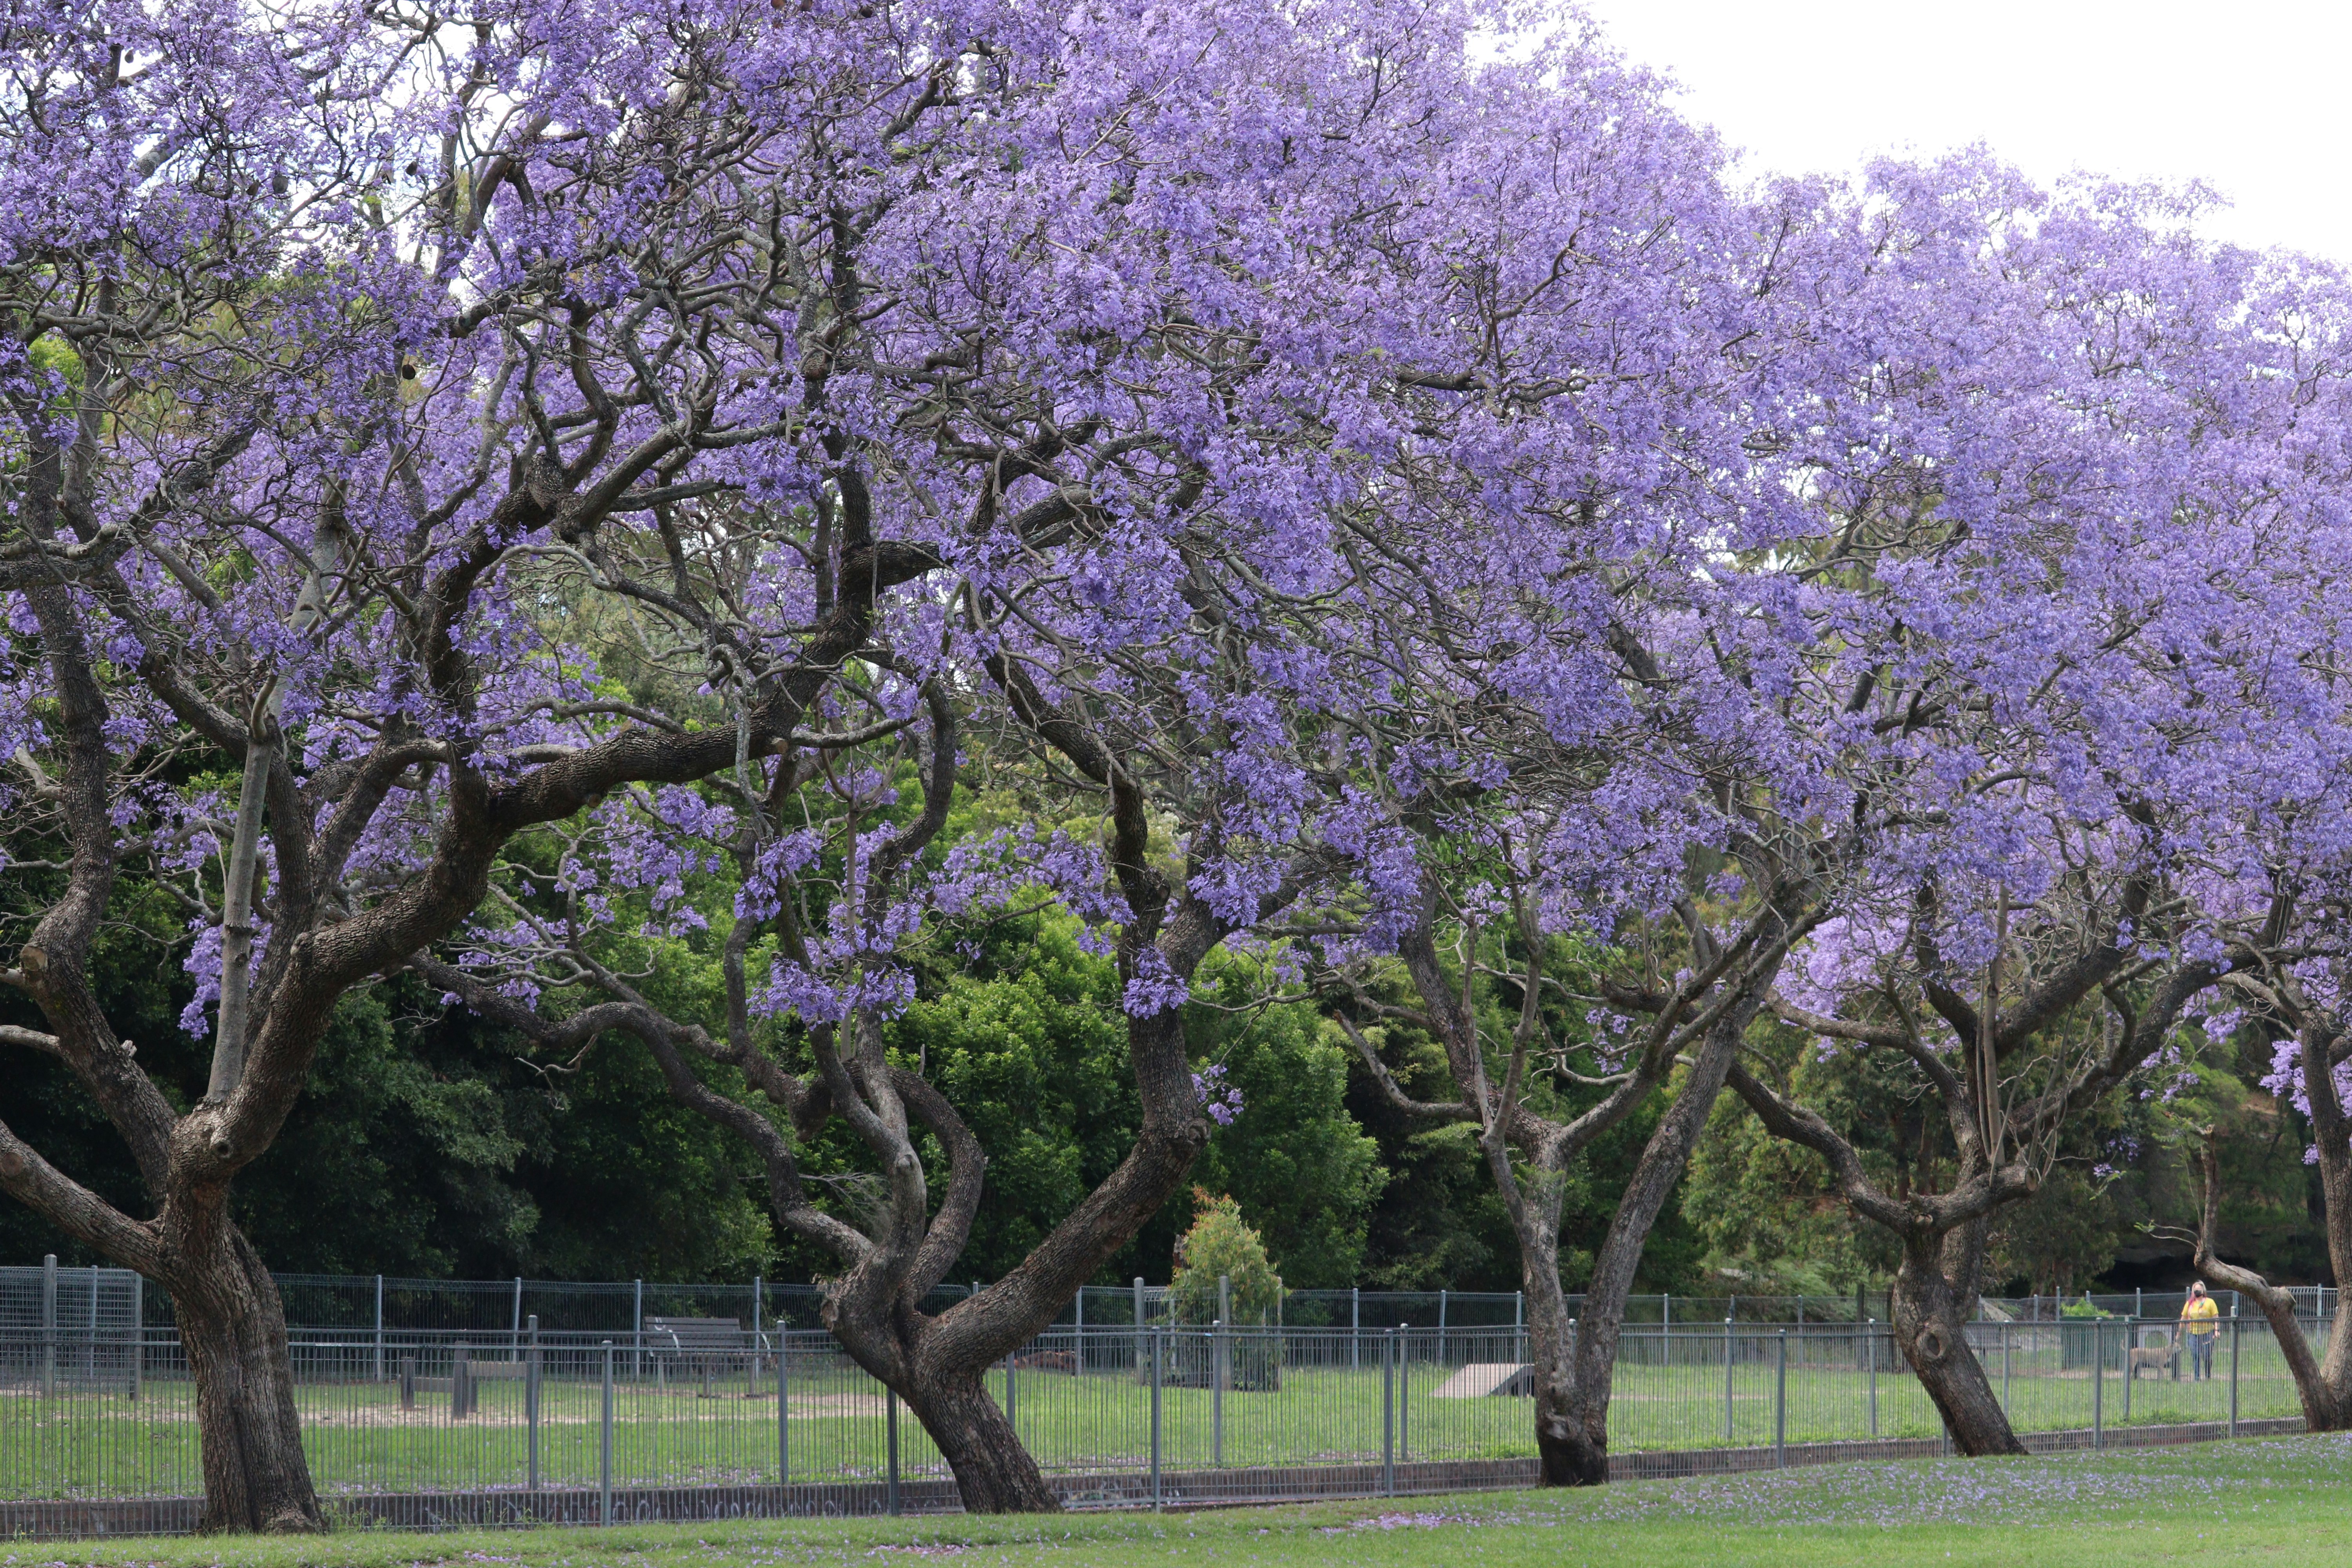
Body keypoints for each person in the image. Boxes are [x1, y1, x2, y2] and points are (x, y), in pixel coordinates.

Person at [2180, 1281, 2221, 1380]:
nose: (2197, 1291)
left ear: (2204, 1290)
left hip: (2208, 1333)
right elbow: (2183, 1319)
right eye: (2195, 1289)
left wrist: (2216, 1330)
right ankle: (2197, 1378)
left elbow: (2216, 1318)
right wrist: (2178, 1333)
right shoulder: (2189, 1304)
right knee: (2196, 1355)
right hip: (2193, 1334)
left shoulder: (2210, 1302)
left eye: (2199, 1289)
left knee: (2207, 1356)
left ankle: (2208, 1376)